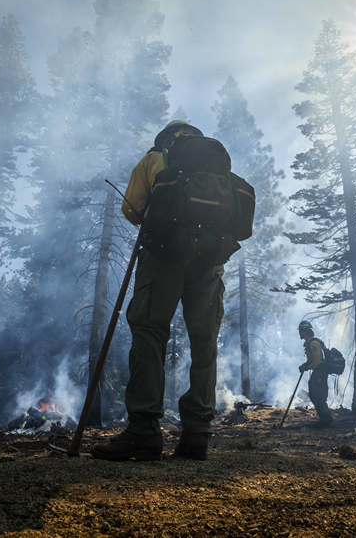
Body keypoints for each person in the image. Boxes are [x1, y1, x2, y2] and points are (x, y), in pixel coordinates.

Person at [91, 120, 224, 462]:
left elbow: (130, 208)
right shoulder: (214, 164)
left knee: (150, 332)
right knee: (204, 339)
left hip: (164, 255)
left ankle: (144, 430)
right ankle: (197, 433)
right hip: (209, 260)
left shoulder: (155, 158)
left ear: (167, 138)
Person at [297, 321, 333, 427]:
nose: (300, 333)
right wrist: (305, 365)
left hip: (320, 371)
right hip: (317, 371)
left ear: (306, 331)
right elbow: (311, 360)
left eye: (301, 331)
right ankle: (324, 418)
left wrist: (308, 367)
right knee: (314, 393)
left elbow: (317, 361)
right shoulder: (309, 343)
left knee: (318, 395)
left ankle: (326, 419)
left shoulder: (313, 344)